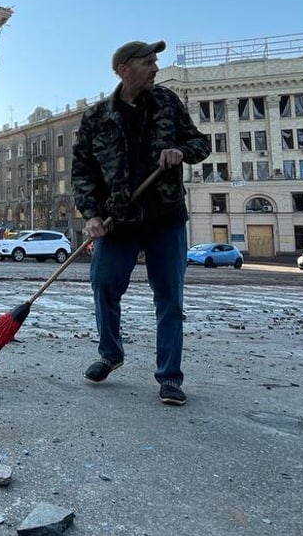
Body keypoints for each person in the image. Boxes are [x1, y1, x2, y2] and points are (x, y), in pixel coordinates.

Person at [72, 39, 211, 407]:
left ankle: (169, 377)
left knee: (169, 298)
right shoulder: (96, 117)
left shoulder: (167, 102)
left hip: (165, 217)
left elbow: (200, 143)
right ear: (124, 68)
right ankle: (110, 354)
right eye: (148, 62)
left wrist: (180, 151)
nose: (154, 68)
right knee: (103, 284)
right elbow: (82, 172)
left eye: (156, 62)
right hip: (119, 220)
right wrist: (92, 216)